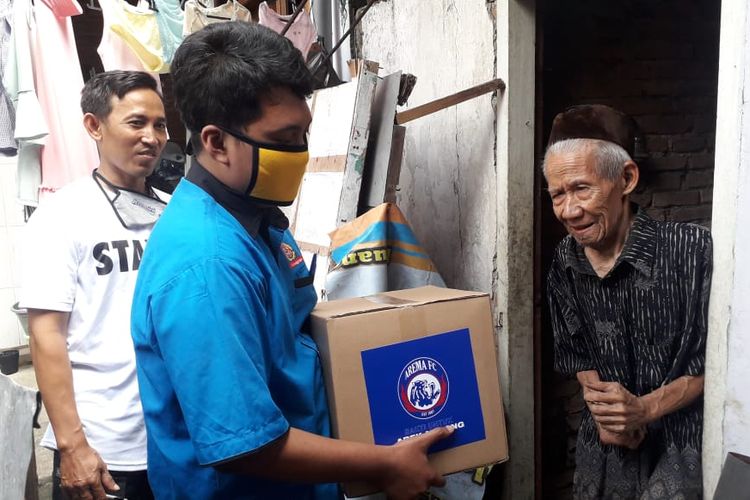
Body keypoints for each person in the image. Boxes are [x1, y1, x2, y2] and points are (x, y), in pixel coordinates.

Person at [130, 22, 452, 500]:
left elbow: (294, 338)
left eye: (304, 133)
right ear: (216, 143)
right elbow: (246, 446)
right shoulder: (208, 267)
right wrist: (386, 465)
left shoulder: (259, 219)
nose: (301, 153)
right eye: (284, 138)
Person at [544, 104, 711, 499]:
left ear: (627, 178)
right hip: (604, 447)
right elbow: (577, 355)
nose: (570, 210)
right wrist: (609, 416)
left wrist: (646, 409)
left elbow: (727, 360)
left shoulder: (691, 251)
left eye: (582, 188)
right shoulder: (564, 261)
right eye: (557, 195)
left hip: (682, 447)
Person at [20, 70, 168, 500]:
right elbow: (46, 334)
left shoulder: (173, 212)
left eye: (159, 124)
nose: (152, 137)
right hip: (103, 447)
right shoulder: (63, 214)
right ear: (94, 126)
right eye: (136, 122)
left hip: (170, 439)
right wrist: (72, 445)